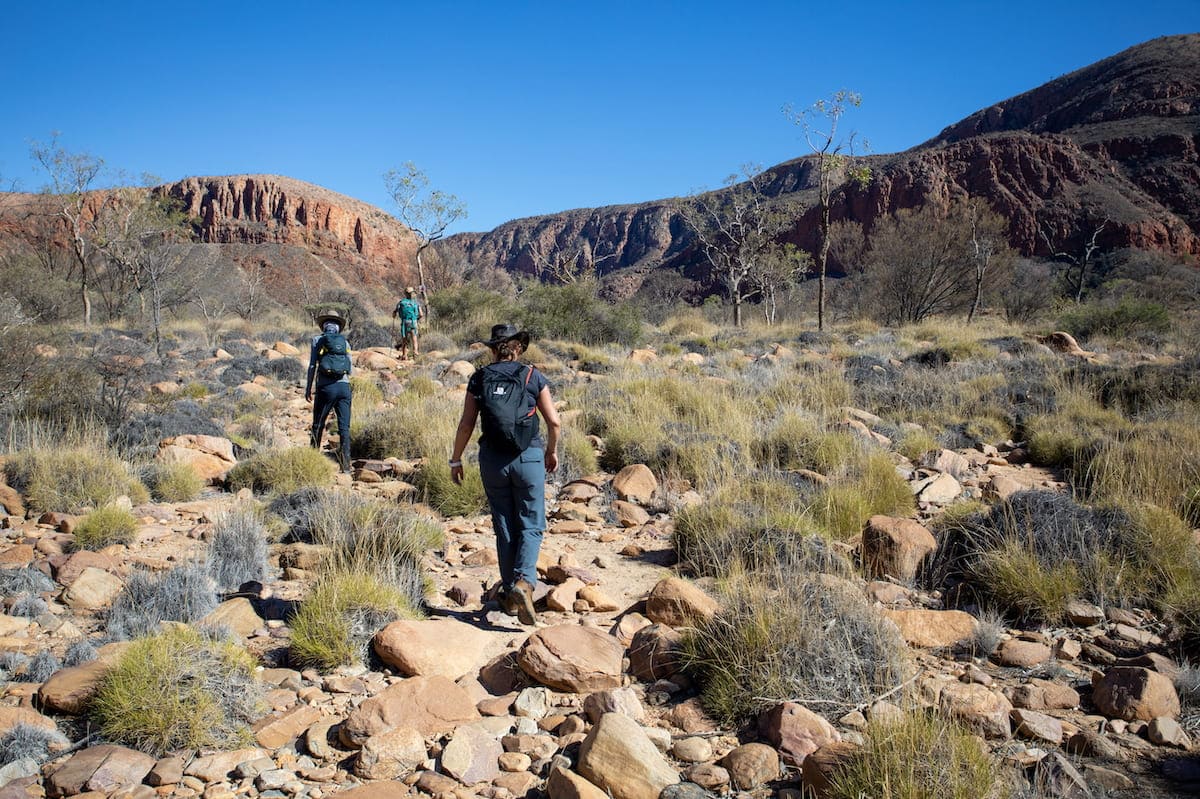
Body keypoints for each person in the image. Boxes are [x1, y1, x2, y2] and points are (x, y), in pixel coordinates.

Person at [450, 323, 560, 625]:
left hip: (492, 460)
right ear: (518, 348)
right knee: (532, 523)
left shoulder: (480, 378)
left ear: (493, 349)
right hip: (529, 458)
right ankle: (524, 583)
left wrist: (456, 460)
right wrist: (551, 451)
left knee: (504, 525)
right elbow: (554, 422)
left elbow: (466, 424)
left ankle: (511, 595)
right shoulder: (531, 376)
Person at [305, 308, 353, 473]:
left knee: (318, 424)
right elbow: (350, 367)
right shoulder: (344, 342)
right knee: (344, 428)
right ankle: (346, 467)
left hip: (326, 388)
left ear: (324, 325)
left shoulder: (317, 340)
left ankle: (311, 462)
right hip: (344, 388)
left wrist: (308, 388)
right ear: (339, 326)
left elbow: (312, 365)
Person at [392, 287, 422, 361]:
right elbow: (421, 314)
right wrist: (416, 319)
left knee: (404, 339)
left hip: (405, 322)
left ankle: (404, 355)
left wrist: (394, 315)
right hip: (413, 322)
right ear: (412, 293)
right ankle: (415, 354)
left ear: (405, 294)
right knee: (414, 339)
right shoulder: (416, 303)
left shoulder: (401, 302)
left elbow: (394, 312)